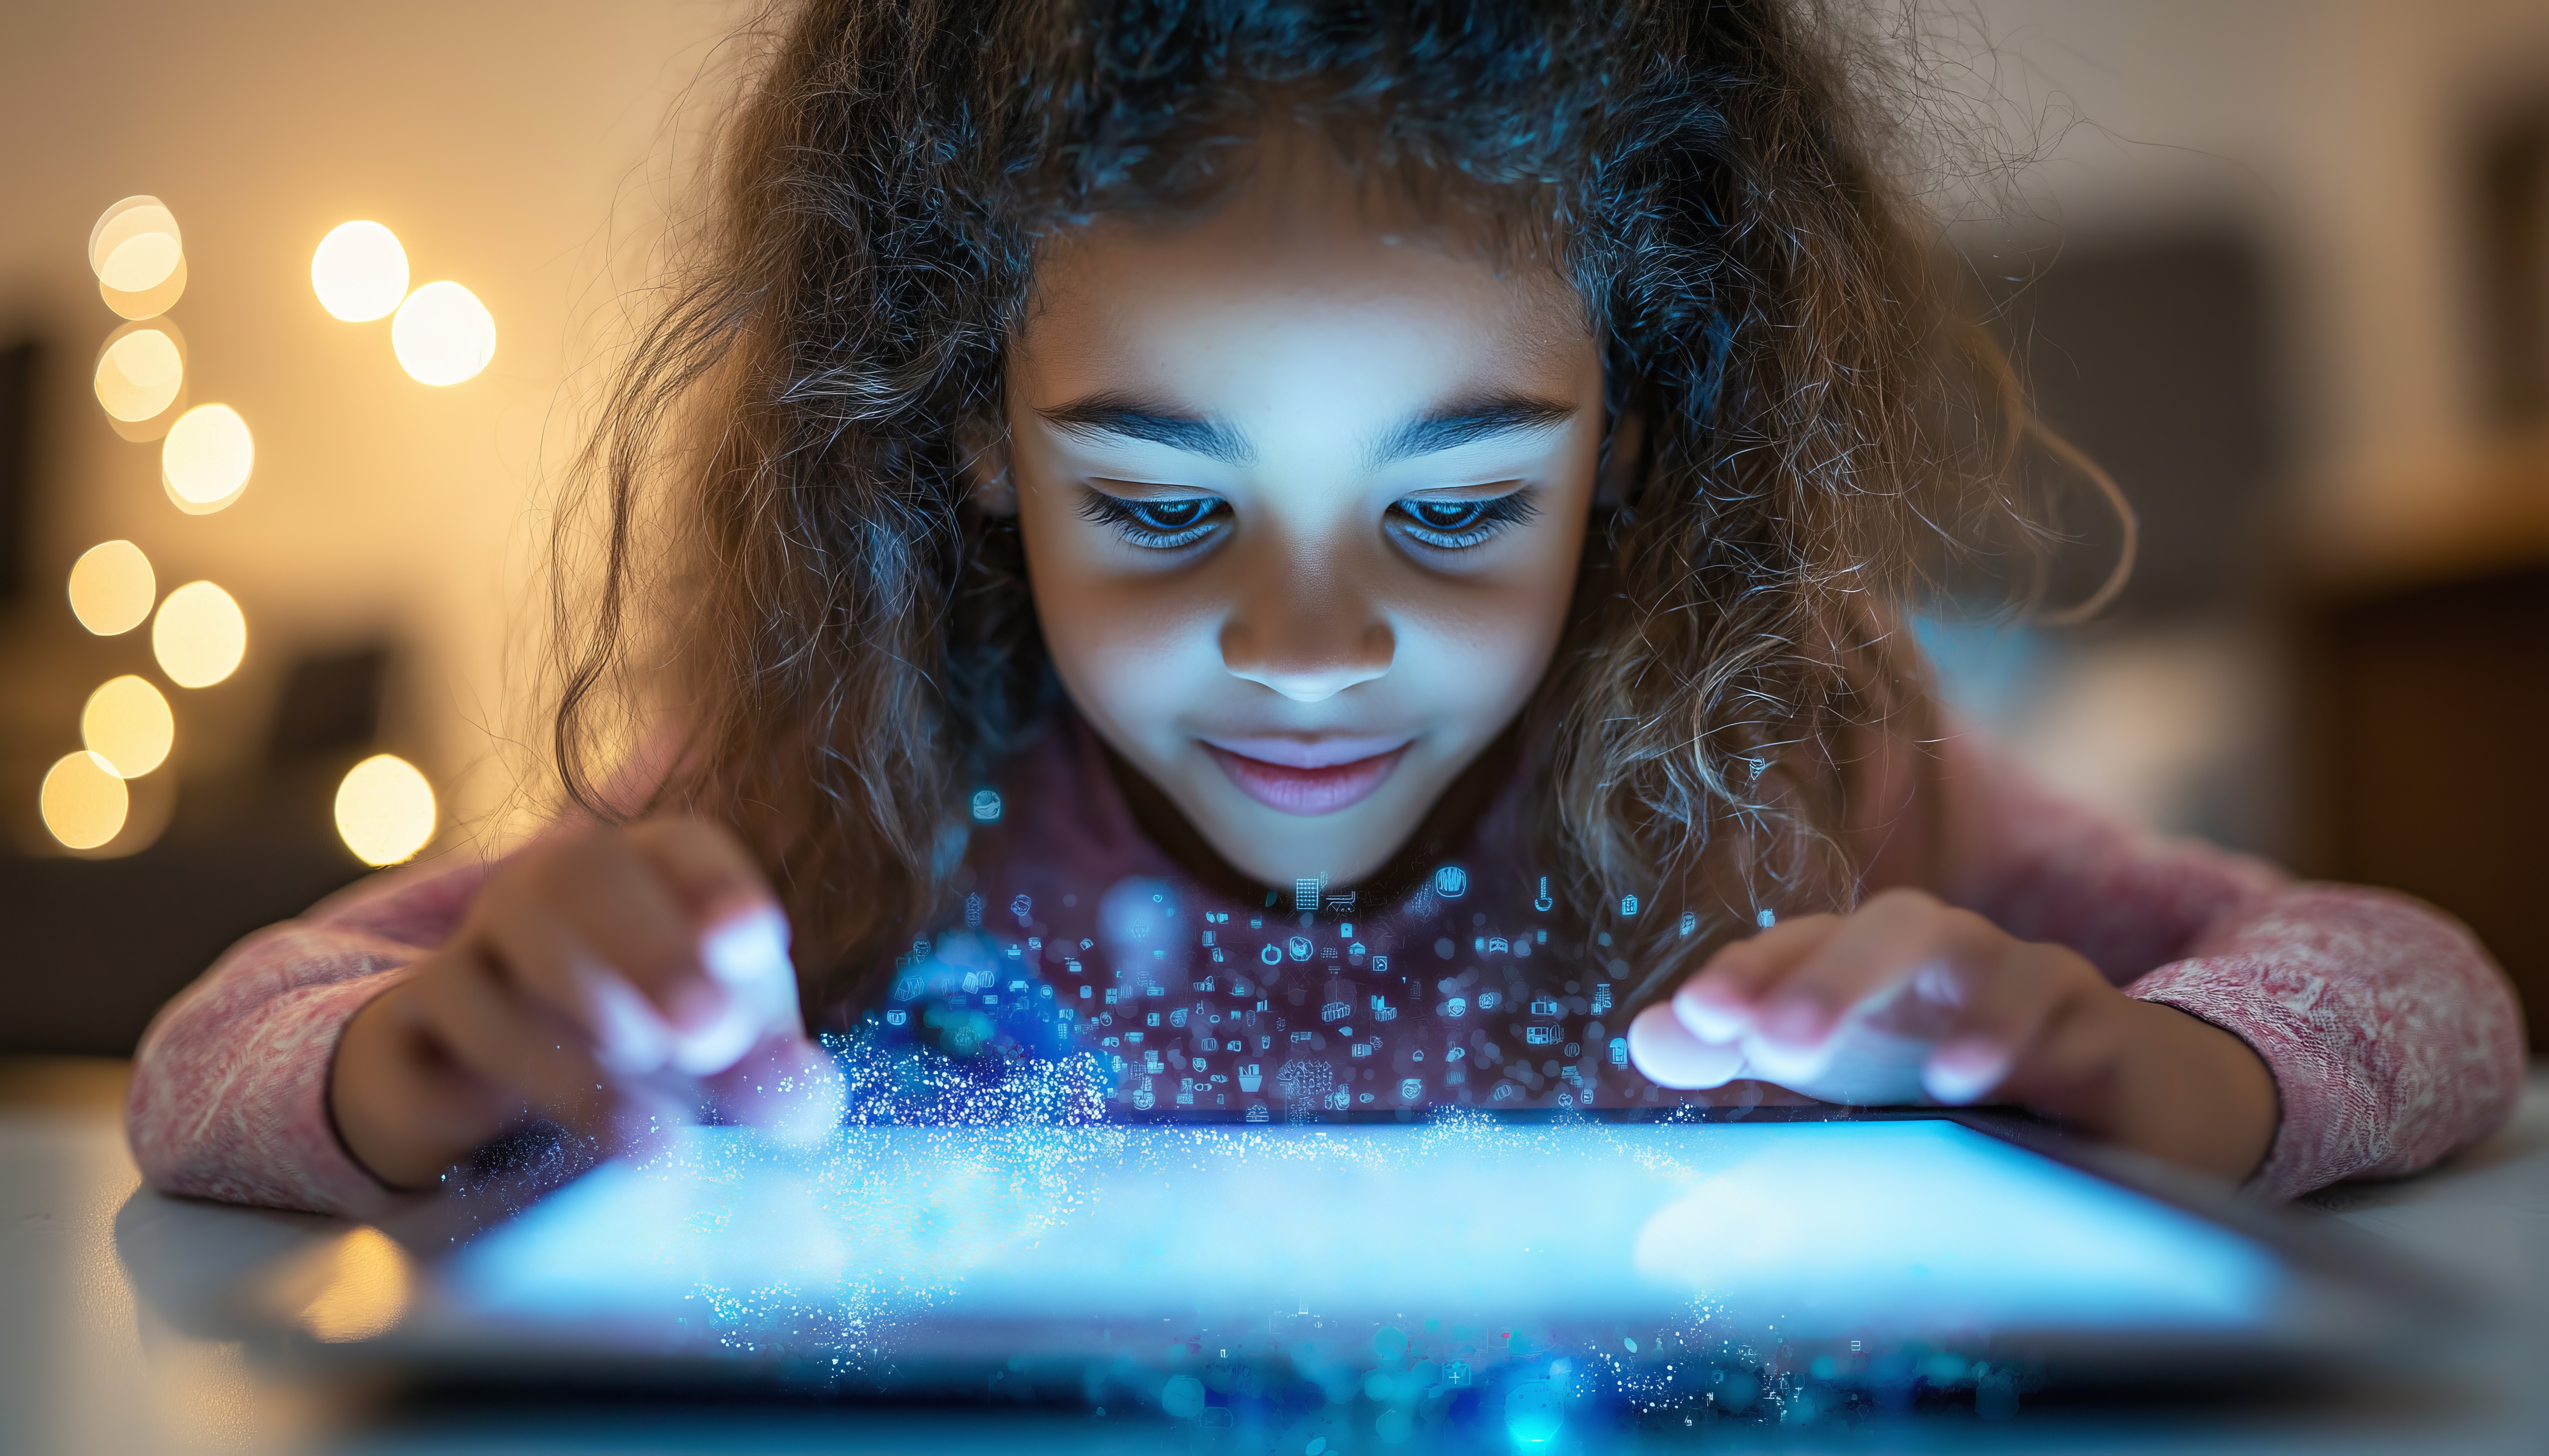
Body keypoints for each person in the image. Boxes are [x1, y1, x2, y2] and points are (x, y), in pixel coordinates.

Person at [127, 0, 2522, 1215]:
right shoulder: (852, 794)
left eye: (1460, 506)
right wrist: (433, 1057)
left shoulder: (1793, 761)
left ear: (1631, 440)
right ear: (973, 425)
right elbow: (211, 1045)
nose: (1303, 641)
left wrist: (2152, 1068)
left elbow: (2435, 991)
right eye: (1163, 510)